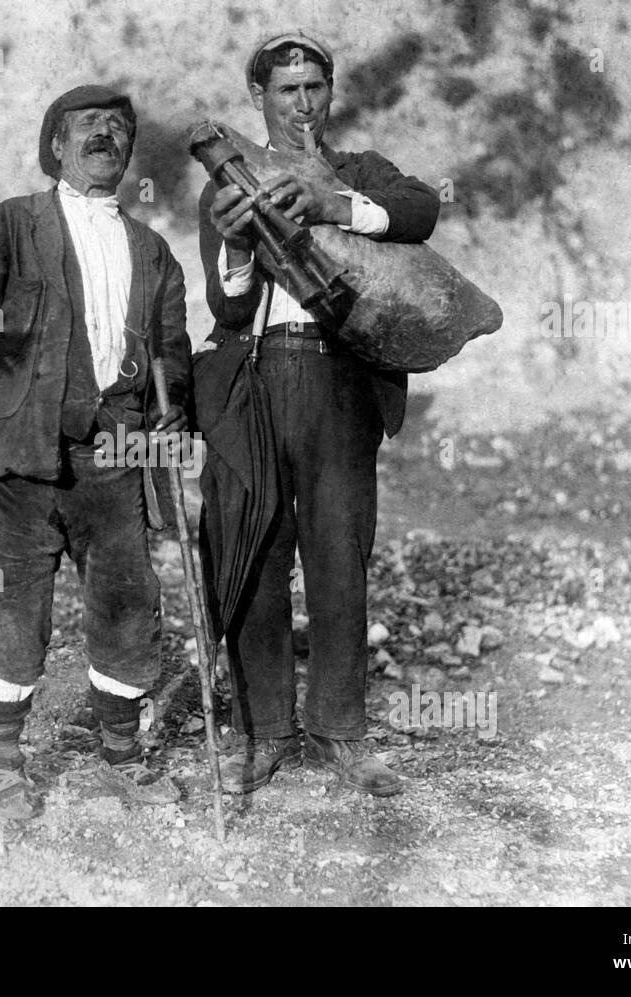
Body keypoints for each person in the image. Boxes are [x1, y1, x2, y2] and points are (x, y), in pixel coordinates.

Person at [0, 85, 191, 818]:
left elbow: (172, 358)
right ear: (56, 145)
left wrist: (174, 417)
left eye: (118, 126)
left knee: (127, 600)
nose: (106, 135)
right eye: (88, 126)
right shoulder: (12, 224)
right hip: (22, 451)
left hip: (114, 455)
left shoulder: (155, 252)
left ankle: (120, 752)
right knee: (15, 604)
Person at [194, 32, 439, 796]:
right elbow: (227, 304)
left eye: (313, 88)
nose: (301, 103)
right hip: (258, 376)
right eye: (285, 91)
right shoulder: (229, 180)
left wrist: (336, 204)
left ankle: (341, 731)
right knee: (255, 551)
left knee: (340, 555)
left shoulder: (357, 170)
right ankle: (264, 731)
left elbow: (420, 208)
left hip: (339, 380)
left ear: (329, 93)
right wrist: (237, 242)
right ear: (259, 99)